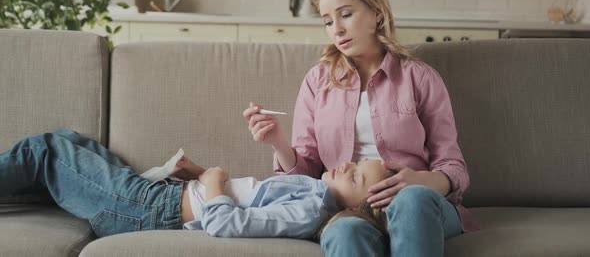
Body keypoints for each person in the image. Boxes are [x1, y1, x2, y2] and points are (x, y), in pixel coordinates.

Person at [243, 0, 477, 257]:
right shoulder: (318, 81)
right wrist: (278, 142)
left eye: (345, 15)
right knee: (344, 230)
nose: (336, 29)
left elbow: (453, 167)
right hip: (351, 210)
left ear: (377, 14)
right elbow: (308, 174)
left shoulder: (420, 78)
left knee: (411, 200)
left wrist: (421, 180)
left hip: (419, 204)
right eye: (328, 21)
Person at [0, 129, 393, 239]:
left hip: (148, 210)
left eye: (357, 175)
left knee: (46, 149)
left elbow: (226, 224)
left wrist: (213, 179)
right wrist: (201, 174)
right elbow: (245, 200)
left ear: (355, 210)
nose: (347, 165)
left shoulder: (310, 211)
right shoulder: (313, 191)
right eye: (357, 162)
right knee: (70, 140)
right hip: (165, 198)